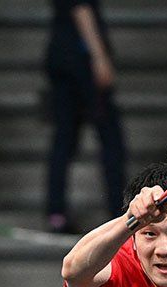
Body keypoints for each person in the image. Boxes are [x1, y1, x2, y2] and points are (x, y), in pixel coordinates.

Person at [46, 0, 127, 234]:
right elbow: (80, 7)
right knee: (111, 139)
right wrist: (99, 56)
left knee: (65, 138)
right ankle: (118, 210)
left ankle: (56, 211)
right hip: (80, 64)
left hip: (62, 58)